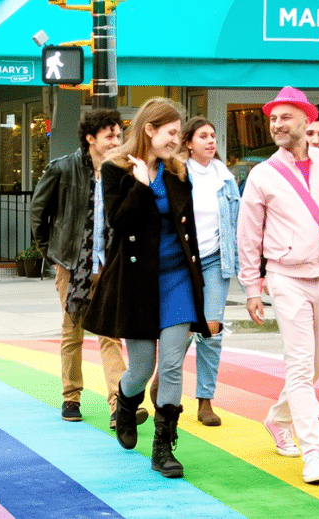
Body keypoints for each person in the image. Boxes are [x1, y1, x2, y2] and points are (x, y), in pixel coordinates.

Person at [237, 86, 319, 485]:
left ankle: (277, 417)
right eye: (272, 118)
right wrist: (252, 286)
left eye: (285, 117)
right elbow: (248, 233)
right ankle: (314, 454)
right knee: (299, 364)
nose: (276, 124)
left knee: (318, 366)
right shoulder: (262, 174)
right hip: (286, 276)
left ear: (306, 121)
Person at [84, 97, 208, 479]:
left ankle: (163, 445)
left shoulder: (179, 172)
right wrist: (139, 187)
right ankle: (125, 403)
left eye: (179, 133)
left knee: (171, 365)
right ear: (149, 130)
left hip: (177, 280)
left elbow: (188, 233)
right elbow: (118, 224)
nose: (177, 140)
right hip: (138, 283)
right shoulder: (115, 168)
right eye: (171, 133)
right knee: (141, 367)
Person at [30, 108, 129, 426]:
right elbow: (37, 211)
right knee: (73, 331)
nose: (117, 140)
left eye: (119, 134)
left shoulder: (122, 170)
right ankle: (71, 397)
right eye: (110, 135)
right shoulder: (63, 168)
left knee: (110, 333)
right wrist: (52, 253)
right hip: (73, 266)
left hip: (108, 263)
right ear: (91, 139)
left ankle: (118, 403)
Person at [182, 116, 239, 427]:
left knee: (211, 330)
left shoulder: (225, 178)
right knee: (182, 330)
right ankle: (166, 381)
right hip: (183, 261)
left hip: (216, 260)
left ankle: (205, 400)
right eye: (203, 135)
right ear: (189, 143)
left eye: (213, 135)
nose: (210, 140)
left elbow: (238, 222)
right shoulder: (177, 173)